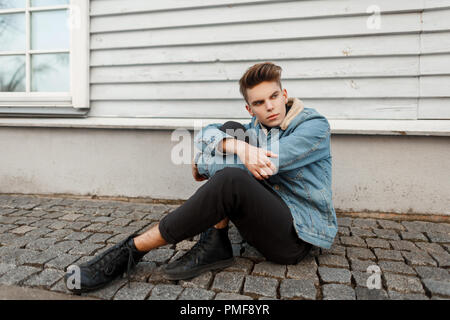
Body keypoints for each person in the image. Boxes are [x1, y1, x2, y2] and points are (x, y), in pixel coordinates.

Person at [64, 62, 337, 293]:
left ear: (284, 94)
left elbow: (265, 162)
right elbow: (207, 132)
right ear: (250, 108)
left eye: (274, 97)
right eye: (259, 102)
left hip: (295, 237)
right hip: (265, 214)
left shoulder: (314, 127)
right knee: (230, 132)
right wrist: (238, 146)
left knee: (230, 177)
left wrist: (203, 164)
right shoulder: (254, 127)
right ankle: (215, 242)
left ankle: (133, 249)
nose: (269, 107)